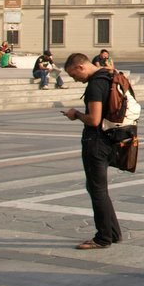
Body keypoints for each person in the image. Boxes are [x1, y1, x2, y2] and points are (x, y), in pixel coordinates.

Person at [61, 53, 122, 249]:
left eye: (73, 75)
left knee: (97, 190)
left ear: (80, 67)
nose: (75, 79)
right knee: (99, 189)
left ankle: (103, 237)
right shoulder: (109, 76)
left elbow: (94, 119)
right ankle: (113, 232)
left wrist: (76, 114)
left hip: (96, 142)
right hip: (111, 139)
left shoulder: (95, 85)